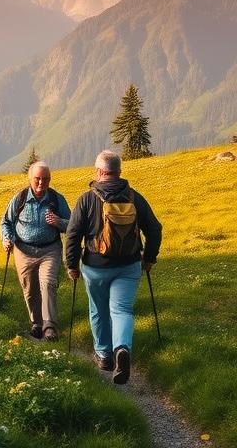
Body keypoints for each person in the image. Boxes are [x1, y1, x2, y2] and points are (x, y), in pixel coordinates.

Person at [66, 150, 162, 385]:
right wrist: (149, 258)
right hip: (129, 266)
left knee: (98, 310)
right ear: (119, 171)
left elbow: (72, 234)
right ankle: (123, 349)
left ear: (99, 172)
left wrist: (71, 265)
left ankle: (104, 356)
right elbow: (154, 229)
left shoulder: (87, 199)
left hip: (95, 267)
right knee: (122, 310)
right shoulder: (134, 197)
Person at [0, 161, 71, 341]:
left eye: (46, 179)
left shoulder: (56, 199)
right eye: (37, 179)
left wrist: (59, 222)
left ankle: (49, 326)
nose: (41, 183)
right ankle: (36, 323)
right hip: (23, 250)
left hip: (50, 249)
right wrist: (7, 238)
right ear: (30, 179)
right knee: (29, 289)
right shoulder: (20, 198)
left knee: (48, 283)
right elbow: (6, 222)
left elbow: (72, 225)